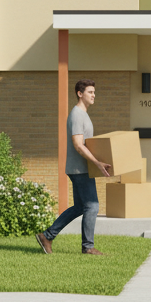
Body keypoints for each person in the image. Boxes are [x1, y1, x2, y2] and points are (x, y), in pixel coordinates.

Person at [36, 79, 112, 256]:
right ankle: (88, 247)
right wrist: (97, 163)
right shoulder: (77, 114)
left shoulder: (83, 114)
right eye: (90, 92)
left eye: (94, 92)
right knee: (92, 206)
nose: (94, 95)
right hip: (80, 169)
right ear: (80, 93)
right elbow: (78, 145)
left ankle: (47, 236)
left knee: (80, 207)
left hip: (81, 168)